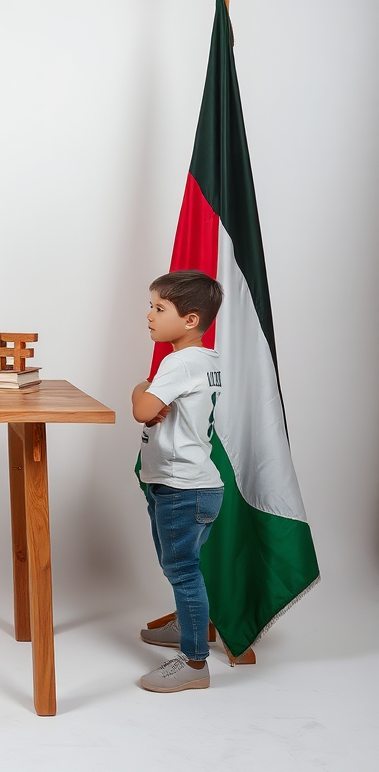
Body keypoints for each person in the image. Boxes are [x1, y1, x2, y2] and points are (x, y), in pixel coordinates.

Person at [131, 269, 225, 693]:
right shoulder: (209, 361)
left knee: (183, 570)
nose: (149, 315)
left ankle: (193, 663)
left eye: (159, 308)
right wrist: (152, 397)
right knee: (182, 568)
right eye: (151, 306)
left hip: (181, 487)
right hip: (196, 485)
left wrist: (139, 389)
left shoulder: (179, 361)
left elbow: (142, 409)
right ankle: (188, 627)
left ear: (190, 320)